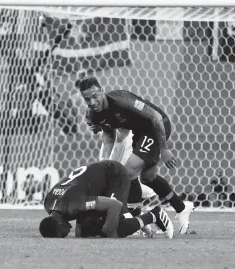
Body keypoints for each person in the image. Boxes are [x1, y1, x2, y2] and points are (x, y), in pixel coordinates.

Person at [76, 77, 194, 234]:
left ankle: (132, 217)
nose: (91, 102)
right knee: (148, 178)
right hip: (140, 132)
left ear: (102, 91)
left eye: (94, 96)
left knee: (128, 172)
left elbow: (155, 117)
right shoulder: (93, 114)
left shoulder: (122, 100)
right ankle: (181, 207)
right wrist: (104, 160)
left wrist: (164, 149)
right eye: (87, 99)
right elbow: (108, 134)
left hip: (157, 126)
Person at [39, 160, 173, 238]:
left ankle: (155, 215)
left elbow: (114, 205)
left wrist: (107, 230)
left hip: (114, 175)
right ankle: (135, 213)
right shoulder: (49, 203)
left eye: (62, 234)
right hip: (95, 183)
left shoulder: (73, 204)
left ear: (60, 224)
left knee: (112, 231)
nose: (65, 234)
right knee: (85, 234)